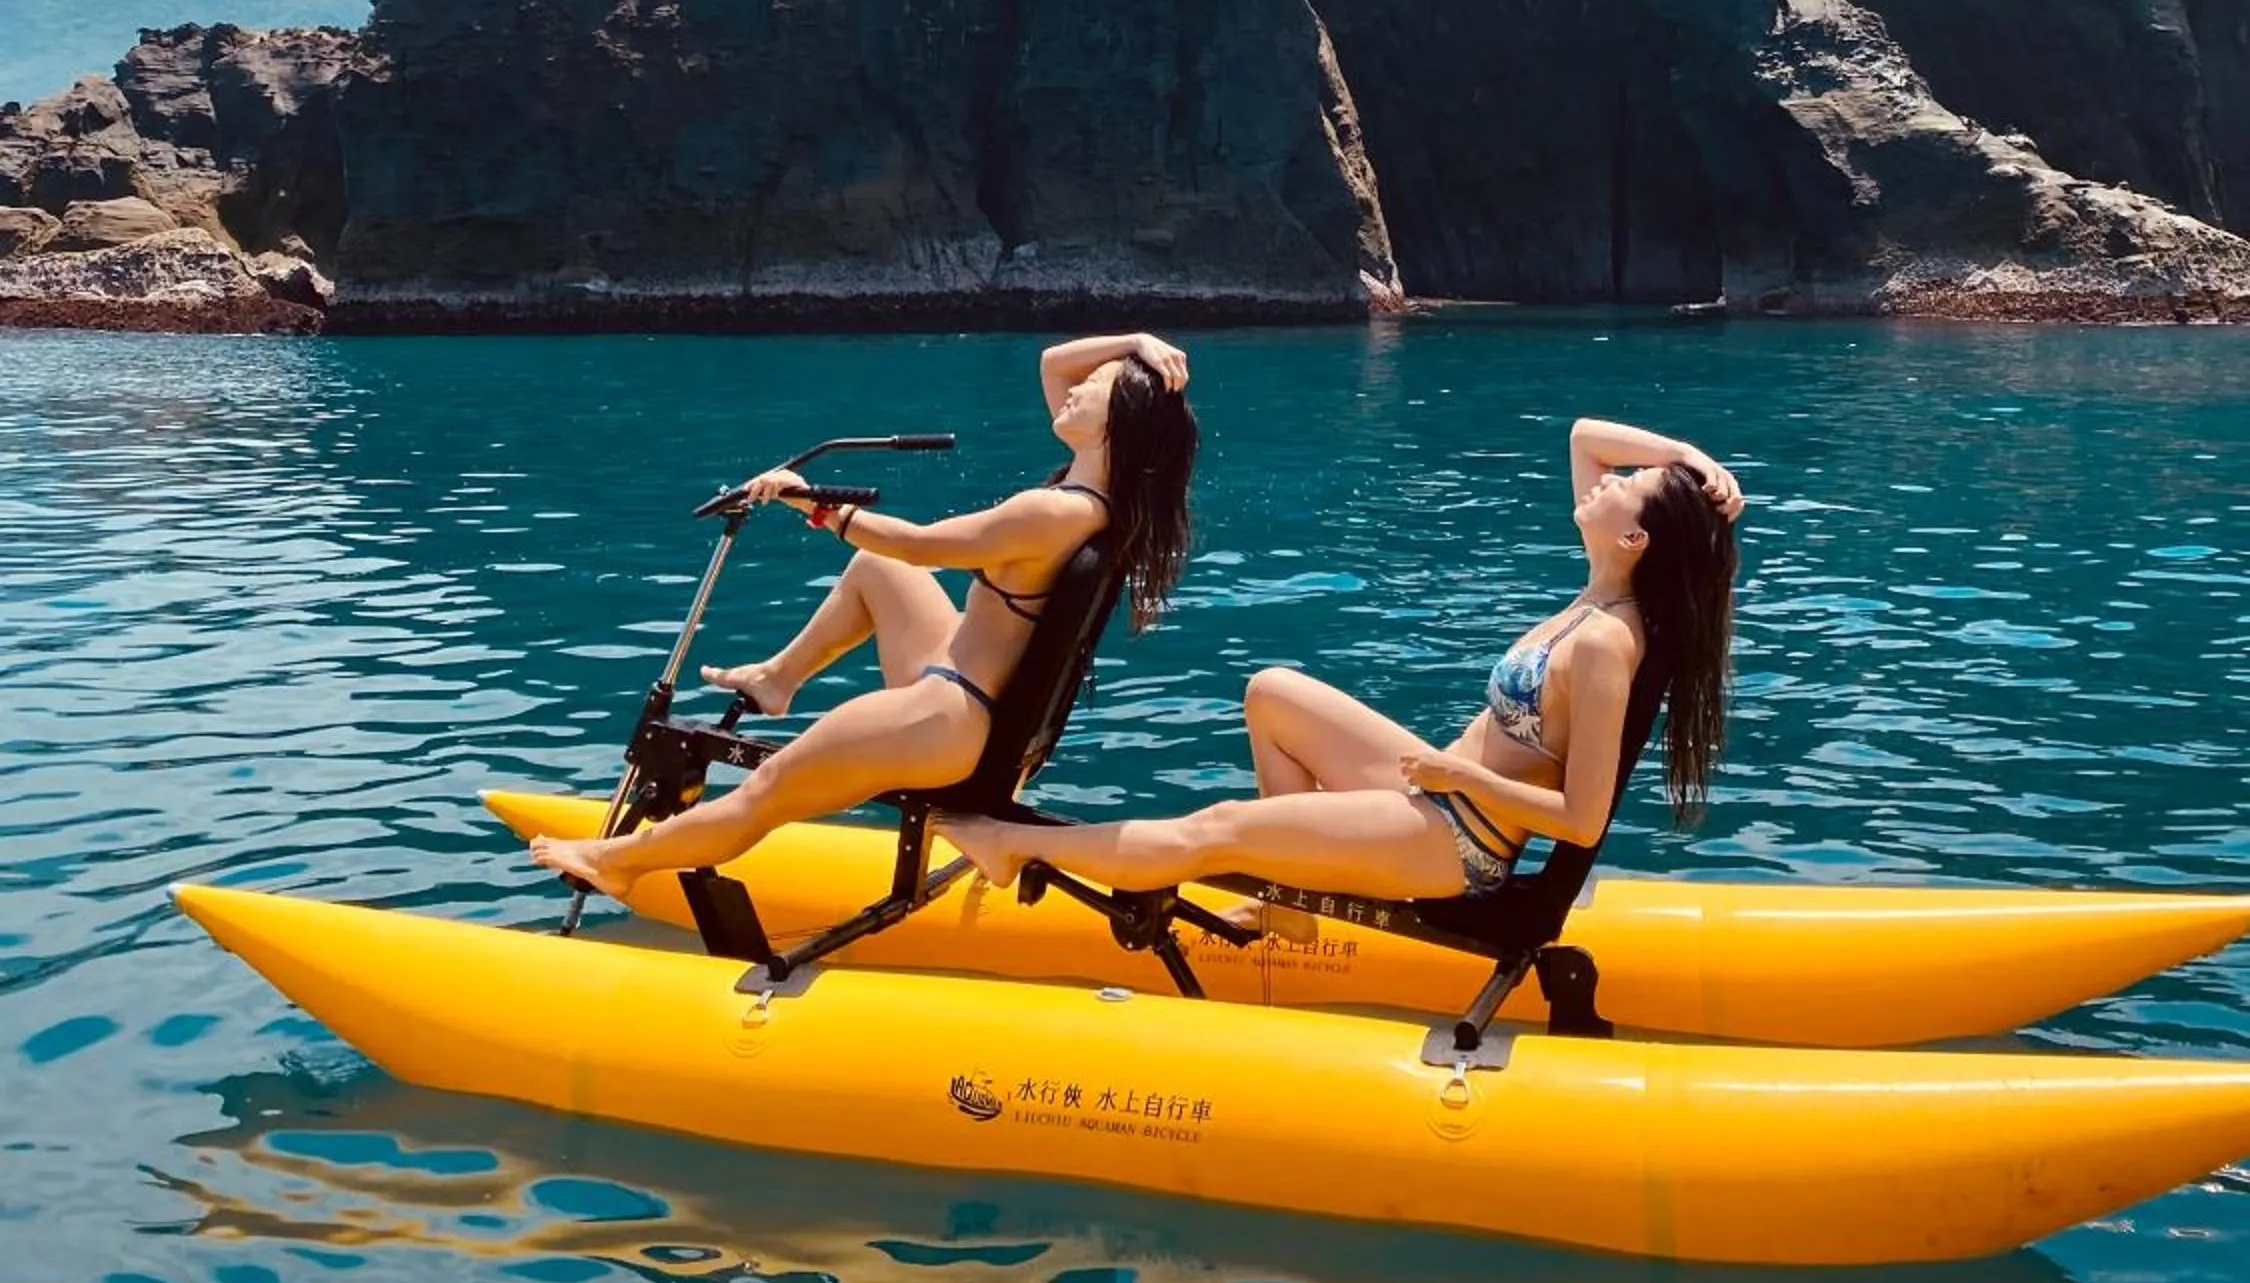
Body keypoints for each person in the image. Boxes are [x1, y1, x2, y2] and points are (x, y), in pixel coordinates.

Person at [943, 414, 1740, 904]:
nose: (1607, 480)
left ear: (1635, 539)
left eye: (1628, 485)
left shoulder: (1604, 641)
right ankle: (1287, 894)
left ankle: (1013, 845)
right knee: (1273, 692)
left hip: (1456, 840)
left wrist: (1462, 780)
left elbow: (1582, 818)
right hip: (1432, 790)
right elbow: (1583, 436)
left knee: (1217, 828)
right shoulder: (1598, 592)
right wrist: (1688, 457)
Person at [528, 332, 1197, 901]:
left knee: (765, 792)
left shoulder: (1049, 513)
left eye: (1100, 383)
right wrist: (1133, 342)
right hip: (969, 697)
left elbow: (919, 543)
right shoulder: (1101, 498)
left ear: (1120, 416)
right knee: (880, 573)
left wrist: (809, 502)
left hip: (948, 718)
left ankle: (616, 865)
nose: (1078, 386)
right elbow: (1054, 362)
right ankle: (779, 679)